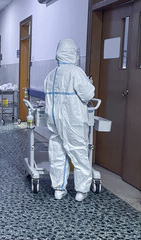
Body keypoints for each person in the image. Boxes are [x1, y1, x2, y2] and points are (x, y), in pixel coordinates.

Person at [44, 39, 95, 202]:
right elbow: (87, 95)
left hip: (55, 122)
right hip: (73, 121)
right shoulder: (76, 72)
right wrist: (90, 83)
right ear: (73, 53)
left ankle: (59, 189)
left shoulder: (51, 75)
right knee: (79, 153)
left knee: (58, 154)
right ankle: (81, 190)